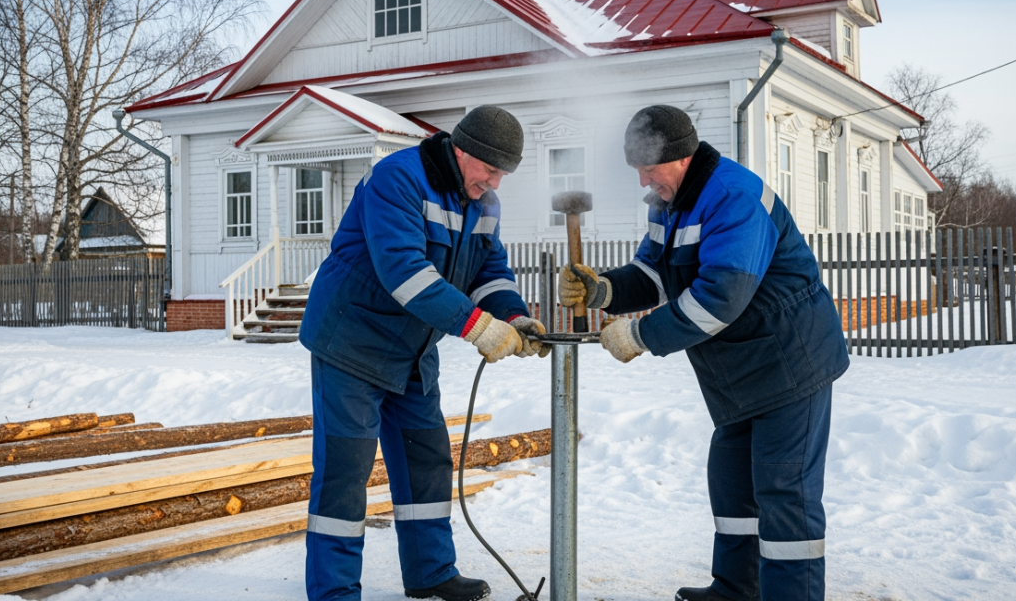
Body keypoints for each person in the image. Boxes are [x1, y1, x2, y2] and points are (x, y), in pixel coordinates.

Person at [559, 105, 848, 601]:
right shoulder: (667, 203)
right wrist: (603, 291)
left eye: (650, 169)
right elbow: (654, 274)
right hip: (738, 370)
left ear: (682, 155)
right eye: (638, 171)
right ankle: (737, 589)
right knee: (732, 482)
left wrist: (642, 336)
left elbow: (721, 296)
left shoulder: (733, 196)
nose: (644, 181)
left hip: (790, 363)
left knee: (784, 493)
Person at [299, 105, 548, 601]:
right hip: (352, 342)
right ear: (462, 151)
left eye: (503, 173)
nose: (495, 181)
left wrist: (513, 315)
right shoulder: (397, 178)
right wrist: (478, 327)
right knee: (346, 470)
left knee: (426, 460)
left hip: (413, 349)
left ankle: (431, 571)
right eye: (491, 169)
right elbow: (405, 273)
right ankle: (334, 591)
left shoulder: (484, 201)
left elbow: (489, 271)